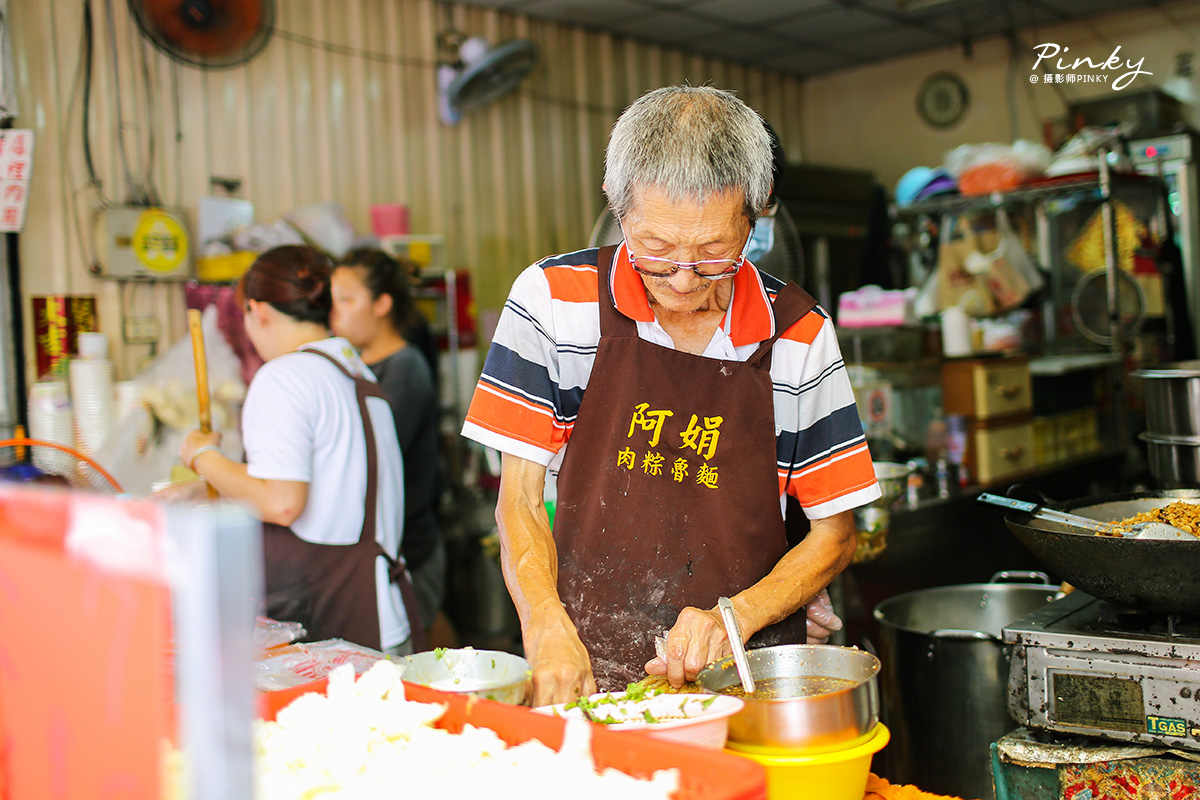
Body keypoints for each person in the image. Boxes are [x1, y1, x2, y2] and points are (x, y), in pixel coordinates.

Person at [461, 85, 881, 705]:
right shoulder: (553, 301)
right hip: (590, 662)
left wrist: (732, 617)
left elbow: (835, 533)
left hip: (746, 675)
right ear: (617, 206)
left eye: (714, 253)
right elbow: (519, 499)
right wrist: (545, 622)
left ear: (756, 214)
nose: (684, 279)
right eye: (655, 251)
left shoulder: (798, 333)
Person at [178, 244, 420, 655]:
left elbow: (282, 502)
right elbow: (332, 485)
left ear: (259, 311)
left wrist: (202, 456)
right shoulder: (355, 371)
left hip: (338, 626)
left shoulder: (284, 377)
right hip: (381, 614)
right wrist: (203, 489)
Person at [331, 248, 447, 642]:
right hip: (383, 547)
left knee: (419, 658)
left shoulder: (405, 368)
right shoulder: (357, 365)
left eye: (346, 299)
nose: (335, 312)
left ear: (382, 304)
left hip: (409, 547)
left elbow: (368, 458)